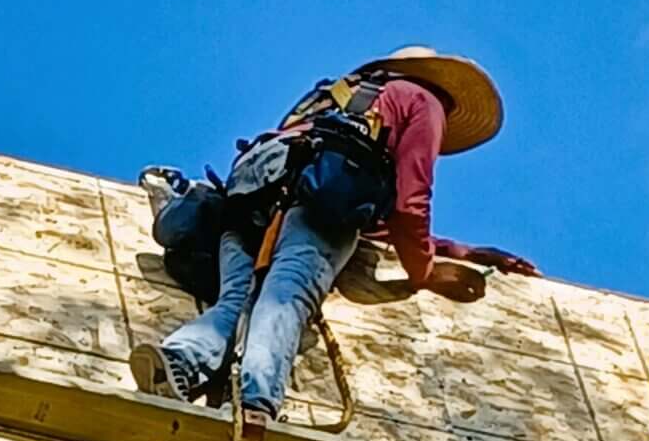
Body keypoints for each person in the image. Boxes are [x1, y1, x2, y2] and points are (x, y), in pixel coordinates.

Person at [131, 48, 534, 417]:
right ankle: (256, 404)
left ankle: (178, 361)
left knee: (237, 297)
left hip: (249, 196)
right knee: (286, 296)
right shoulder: (424, 102)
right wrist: (425, 271)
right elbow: (410, 204)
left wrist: (459, 251)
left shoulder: (341, 97)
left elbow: (370, 212)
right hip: (317, 205)